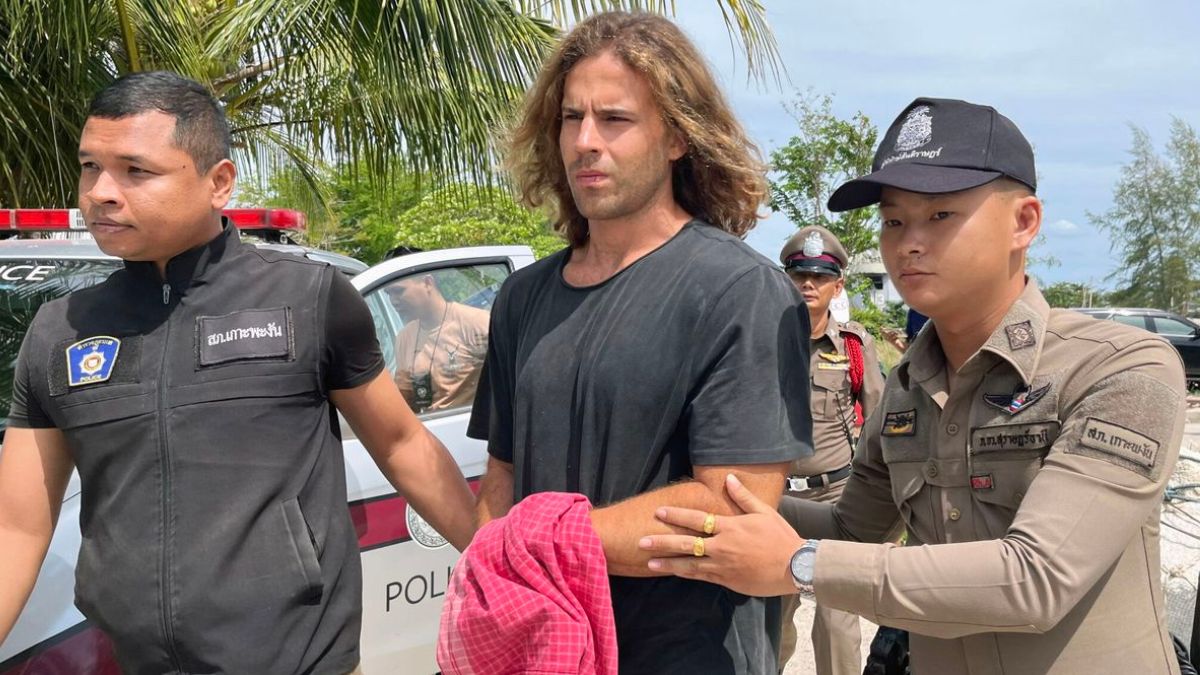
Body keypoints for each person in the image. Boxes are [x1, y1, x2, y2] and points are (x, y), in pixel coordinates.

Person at [639, 97, 1187, 675]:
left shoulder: (1123, 368)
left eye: (941, 216)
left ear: (1024, 222)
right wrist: (721, 487)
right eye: (894, 221)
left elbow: (1037, 579)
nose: (908, 243)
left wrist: (800, 564)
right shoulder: (907, 387)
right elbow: (855, 528)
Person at [0, 71, 476, 675]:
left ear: (218, 181)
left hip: (301, 661)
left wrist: (496, 563)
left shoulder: (309, 299)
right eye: (90, 167)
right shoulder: (59, 330)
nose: (101, 192)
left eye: (135, 170)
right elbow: (17, 525)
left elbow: (402, 443)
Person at [467, 11, 812, 675]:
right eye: (572, 118)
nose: (585, 142)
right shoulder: (523, 298)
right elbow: (503, 478)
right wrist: (491, 589)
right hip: (540, 655)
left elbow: (729, 511)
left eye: (615, 119)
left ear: (678, 134)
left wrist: (537, 539)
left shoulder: (740, 292)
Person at [777, 225, 883, 674]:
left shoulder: (855, 347)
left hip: (836, 499)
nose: (808, 284)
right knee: (770, 615)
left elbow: (878, 421)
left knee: (838, 619)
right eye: (799, 274)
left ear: (837, 285)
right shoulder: (761, 343)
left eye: (819, 277)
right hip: (775, 500)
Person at [388, 273, 489, 413]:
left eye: (399, 291)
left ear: (428, 283)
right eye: (389, 294)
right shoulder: (405, 337)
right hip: (428, 428)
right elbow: (404, 397)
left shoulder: (478, 323)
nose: (393, 301)